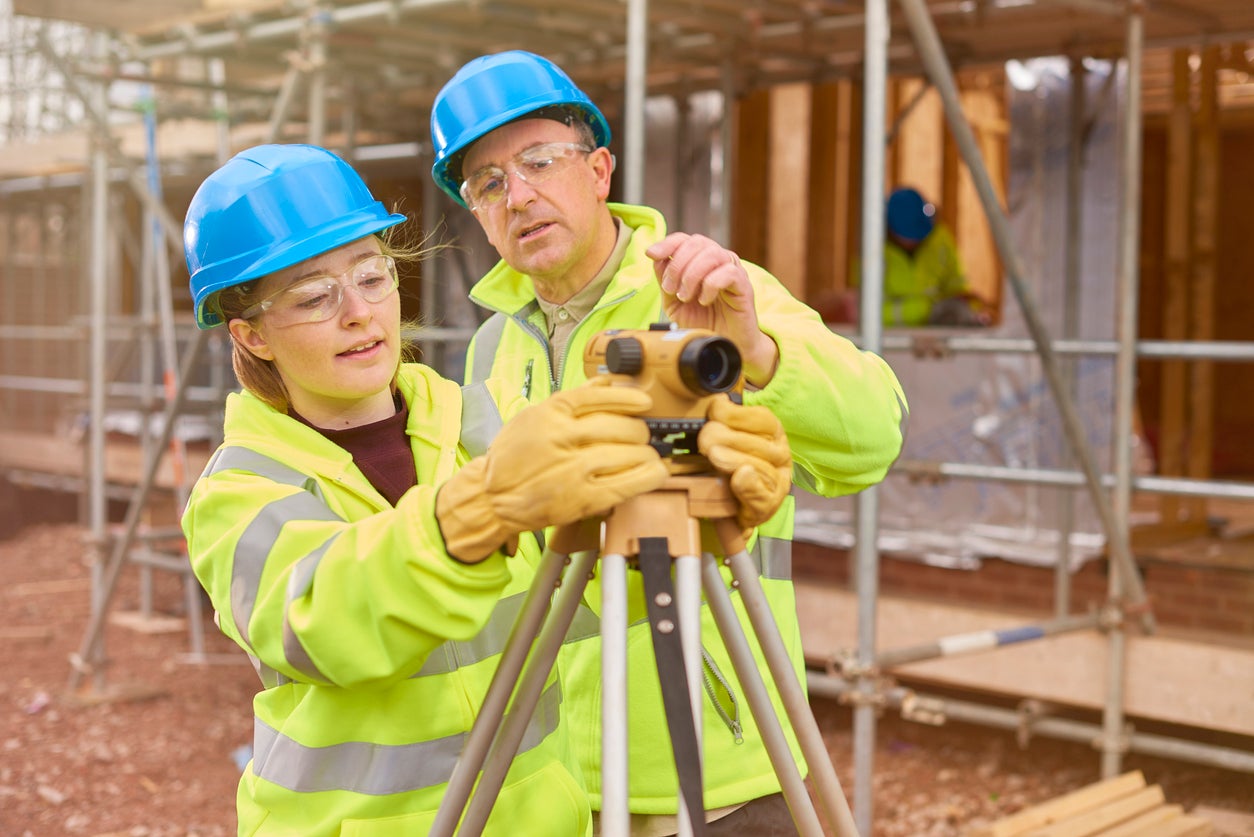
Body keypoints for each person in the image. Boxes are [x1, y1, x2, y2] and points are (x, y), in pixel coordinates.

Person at [429, 50, 909, 835]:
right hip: (549, 778)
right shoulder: (490, 350)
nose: (518, 195)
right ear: (477, 213)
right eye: (487, 182)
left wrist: (757, 350)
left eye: (540, 160)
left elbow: (873, 436)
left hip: (717, 774)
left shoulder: (707, 294)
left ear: (600, 170)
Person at [180, 143, 683, 836]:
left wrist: (682, 510)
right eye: (314, 297)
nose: (359, 312)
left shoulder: (480, 421)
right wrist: (470, 514)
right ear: (252, 335)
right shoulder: (239, 488)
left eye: (372, 276)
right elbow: (327, 624)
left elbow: (581, 596)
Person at [846, 186, 989, 327]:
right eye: (908, 234)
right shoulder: (872, 248)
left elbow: (957, 287)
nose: (916, 240)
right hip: (890, 338)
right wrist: (925, 309)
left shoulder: (939, 239)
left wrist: (971, 310)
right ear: (889, 228)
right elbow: (864, 311)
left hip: (938, 334)